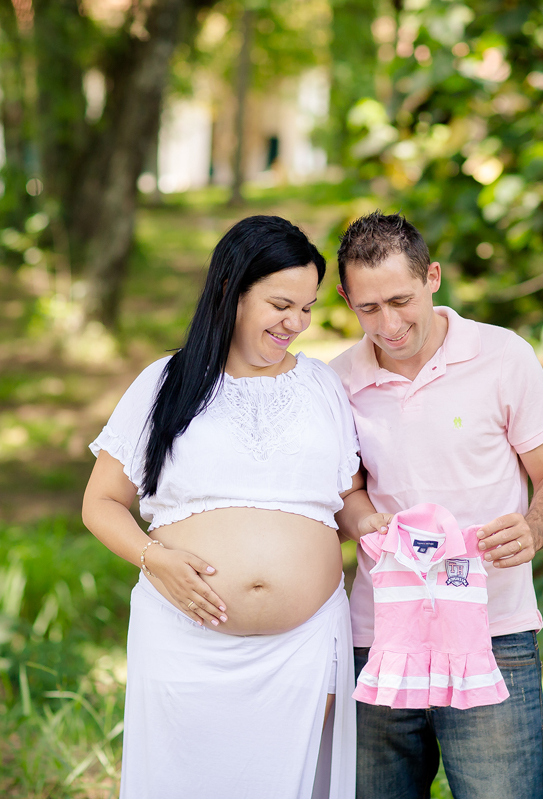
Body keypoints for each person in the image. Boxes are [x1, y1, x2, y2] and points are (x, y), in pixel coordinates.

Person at [82, 215, 362, 799]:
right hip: (186, 639)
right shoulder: (166, 381)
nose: (297, 323)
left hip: (304, 647)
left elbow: (349, 503)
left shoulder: (323, 387)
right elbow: (101, 503)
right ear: (233, 293)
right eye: (281, 304)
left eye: (308, 308)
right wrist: (154, 558)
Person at [330, 211, 543, 799]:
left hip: (495, 634)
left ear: (433, 277)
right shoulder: (335, 382)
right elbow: (346, 493)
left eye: (401, 300)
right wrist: (362, 519)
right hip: (379, 641)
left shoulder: (503, 356)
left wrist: (533, 530)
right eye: (368, 308)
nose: (388, 324)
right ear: (344, 298)